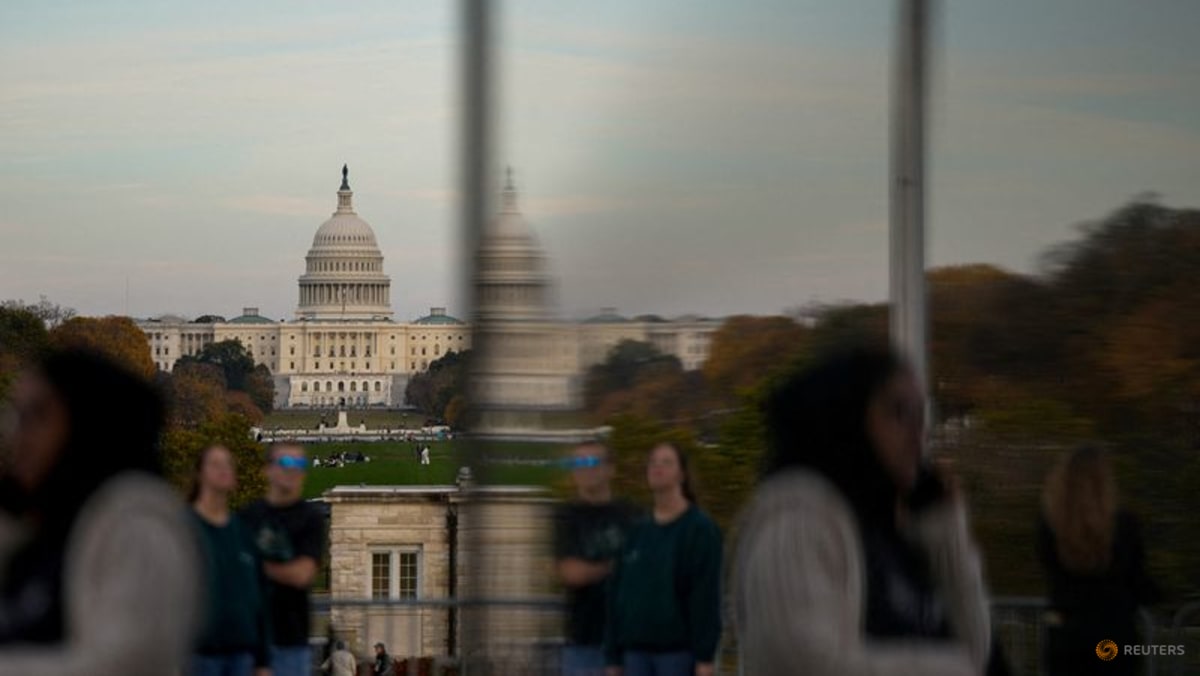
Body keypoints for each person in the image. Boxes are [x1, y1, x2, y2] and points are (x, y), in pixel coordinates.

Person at [730, 345, 992, 676]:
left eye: (921, 413)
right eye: (899, 412)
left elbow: (975, 652)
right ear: (848, 419)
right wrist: (953, 669)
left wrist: (948, 535)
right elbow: (803, 663)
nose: (918, 433)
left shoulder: (889, 533)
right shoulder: (796, 519)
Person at [0, 348, 200, 675]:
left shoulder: (138, 526)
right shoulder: (36, 529)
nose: (17, 435)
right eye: (15, 415)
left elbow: (126, 664)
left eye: (35, 416)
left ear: (84, 421)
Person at [1038, 447, 1159, 676]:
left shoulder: (1050, 527)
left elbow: (1049, 571)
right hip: (1113, 637)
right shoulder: (1123, 524)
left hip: (1065, 637)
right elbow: (1140, 582)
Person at [604, 443, 722, 676]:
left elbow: (706, 597)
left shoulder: (700, 529)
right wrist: (613, 657)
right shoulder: (635, 532)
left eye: (666, 462)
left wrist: (704, 658)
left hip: (678, 655)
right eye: (653, 462)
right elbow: (617, 596)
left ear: (682, 474)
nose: (657, 467)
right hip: (634, 654)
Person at [555, 442, 640, 676]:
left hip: (632, 643)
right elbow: (571, 573)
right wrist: (619, 566)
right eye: (577, 463)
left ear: (610, 469)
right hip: (585, 641)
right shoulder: (566, 517)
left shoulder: (632, 514)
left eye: (592, 462)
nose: (585, 469)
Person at [241, 443, 325, 676]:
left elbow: (302, 575)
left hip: (290, 640)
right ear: (268, 469)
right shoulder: (248, 516)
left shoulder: (311, 518)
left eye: (299, 464)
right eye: (286, 462)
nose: (293, 469)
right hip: (247, 640)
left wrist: (254, 566)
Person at [188, 444, 271, 676]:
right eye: (215, 464)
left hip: (241, 653)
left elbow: (258, 598)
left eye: (228, 464)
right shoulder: (183, 528)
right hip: (199, 654)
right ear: (199, 474)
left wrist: (262, 661)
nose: (224, 469)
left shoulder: (244, 531)